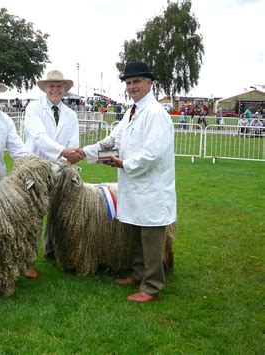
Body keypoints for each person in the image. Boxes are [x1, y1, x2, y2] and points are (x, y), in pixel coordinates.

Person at [81, 61, 176, 303]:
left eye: (136, 82)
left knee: (152, 235)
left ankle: (152, 286)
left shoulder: (155, 114)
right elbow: (114, 139)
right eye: (129, 83)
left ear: (149, 83)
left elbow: (153, 154)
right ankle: (138, 273)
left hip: (151, 188)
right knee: (137, 232)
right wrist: (85, 152)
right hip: (135, 187)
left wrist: (123, 163)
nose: (132, 86)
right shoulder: (131, 111)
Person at [23, 69, 84, 277]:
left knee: (59, 213)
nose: (55, 89)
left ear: (64, 89)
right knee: (33, 216)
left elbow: (74, 143)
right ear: (45, 88)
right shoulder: (33, 108)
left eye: (59, 86)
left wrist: (69, 156)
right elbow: (39, 137)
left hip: (60, 170)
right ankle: (28, 260)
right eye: (52, 86)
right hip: (36, 169)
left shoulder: (71, 114)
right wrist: (64, 152)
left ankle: (53, 251)